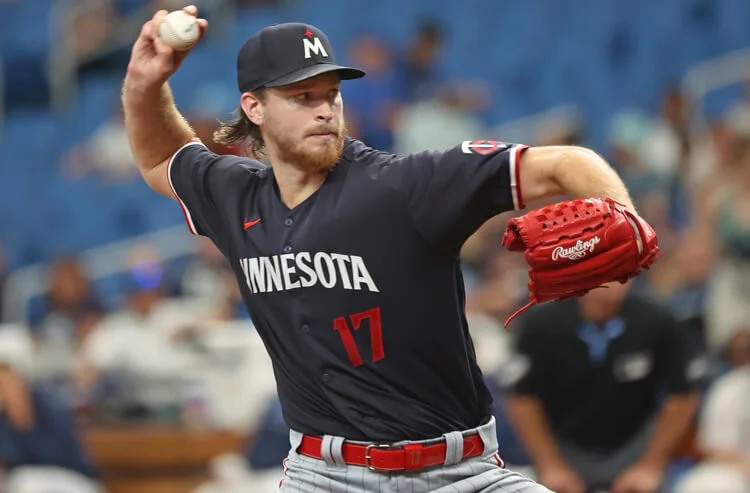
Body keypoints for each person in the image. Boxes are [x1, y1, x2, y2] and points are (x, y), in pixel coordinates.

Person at [122, 6, 652, 492]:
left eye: (331, 93)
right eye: (302, 97)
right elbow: (160, 159)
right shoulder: (236, 197)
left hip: (459, 473)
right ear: (254, 107)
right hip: (322, 476)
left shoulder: (403, 187)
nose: (324, 110)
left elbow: (563, 163)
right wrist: (145, 84)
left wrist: (623, 214)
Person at [503, 281, 703, 493]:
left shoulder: (658, 319)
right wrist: (550, 465)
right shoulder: (542, 323)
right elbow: (522, 397)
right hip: (563, 444)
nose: (615, 279)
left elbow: (683, 395)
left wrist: (651, 464)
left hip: (634, 444)